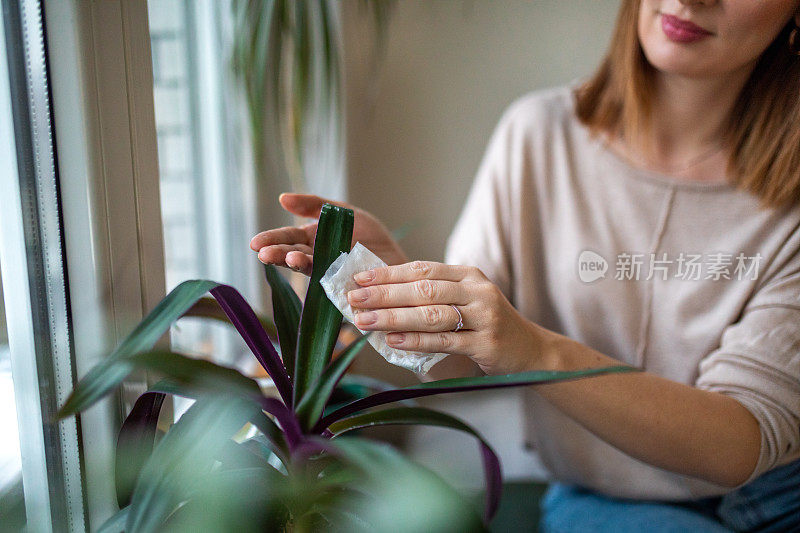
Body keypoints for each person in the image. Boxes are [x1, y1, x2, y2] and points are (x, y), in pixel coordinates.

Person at [249, 1, 800, 530]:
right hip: (606, 497)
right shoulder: (538, 136)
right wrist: (402, 285)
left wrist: (530, 347)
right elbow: (462, 359)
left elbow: (741, 444)